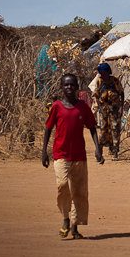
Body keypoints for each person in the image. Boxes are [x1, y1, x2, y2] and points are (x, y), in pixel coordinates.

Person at [41, 73, 104, 240]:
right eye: (66, 84)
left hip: (79, 156)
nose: (69, 87)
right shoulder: (56, 107)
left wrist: (98, 149)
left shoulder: (83, 106)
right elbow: (48, 128)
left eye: (72, 84)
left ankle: (75, 226)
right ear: (61, 87)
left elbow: (92, 127)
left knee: (79, 191)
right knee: (62, 185)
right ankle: (65, 219)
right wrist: (44, 152)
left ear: (77, 87)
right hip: (60, 153)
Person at [92, 62, 124, 161]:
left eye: (105, 73)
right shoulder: (99, 82)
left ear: (108, 72)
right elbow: (96, 96)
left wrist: (121, 108)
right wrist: (102, 110)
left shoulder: (115, 80)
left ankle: (115, 153)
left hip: (115, 109)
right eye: (102, 73)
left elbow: (121, 94)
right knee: (102, 130)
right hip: (104, 110)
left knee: (115, 130)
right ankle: (100, 152)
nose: (103, 75)